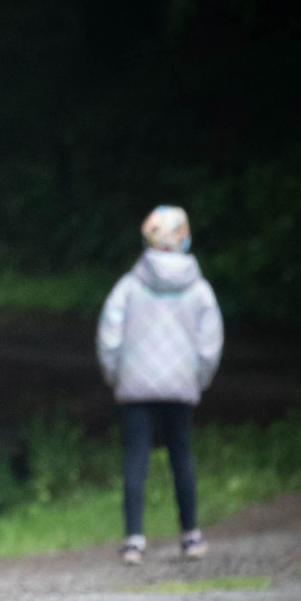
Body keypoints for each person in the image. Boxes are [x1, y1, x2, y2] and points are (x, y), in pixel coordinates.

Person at [95, 205, 223, 565]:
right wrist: (198, 380)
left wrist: (115, 375)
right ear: (183, 236)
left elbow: (109, 337)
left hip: (135, 386)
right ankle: (191, 536)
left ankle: (133, 541)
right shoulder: (200, 290)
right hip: (181, 385)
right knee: (181, 454)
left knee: (136, 456)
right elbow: (210, 344)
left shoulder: (129, 286)